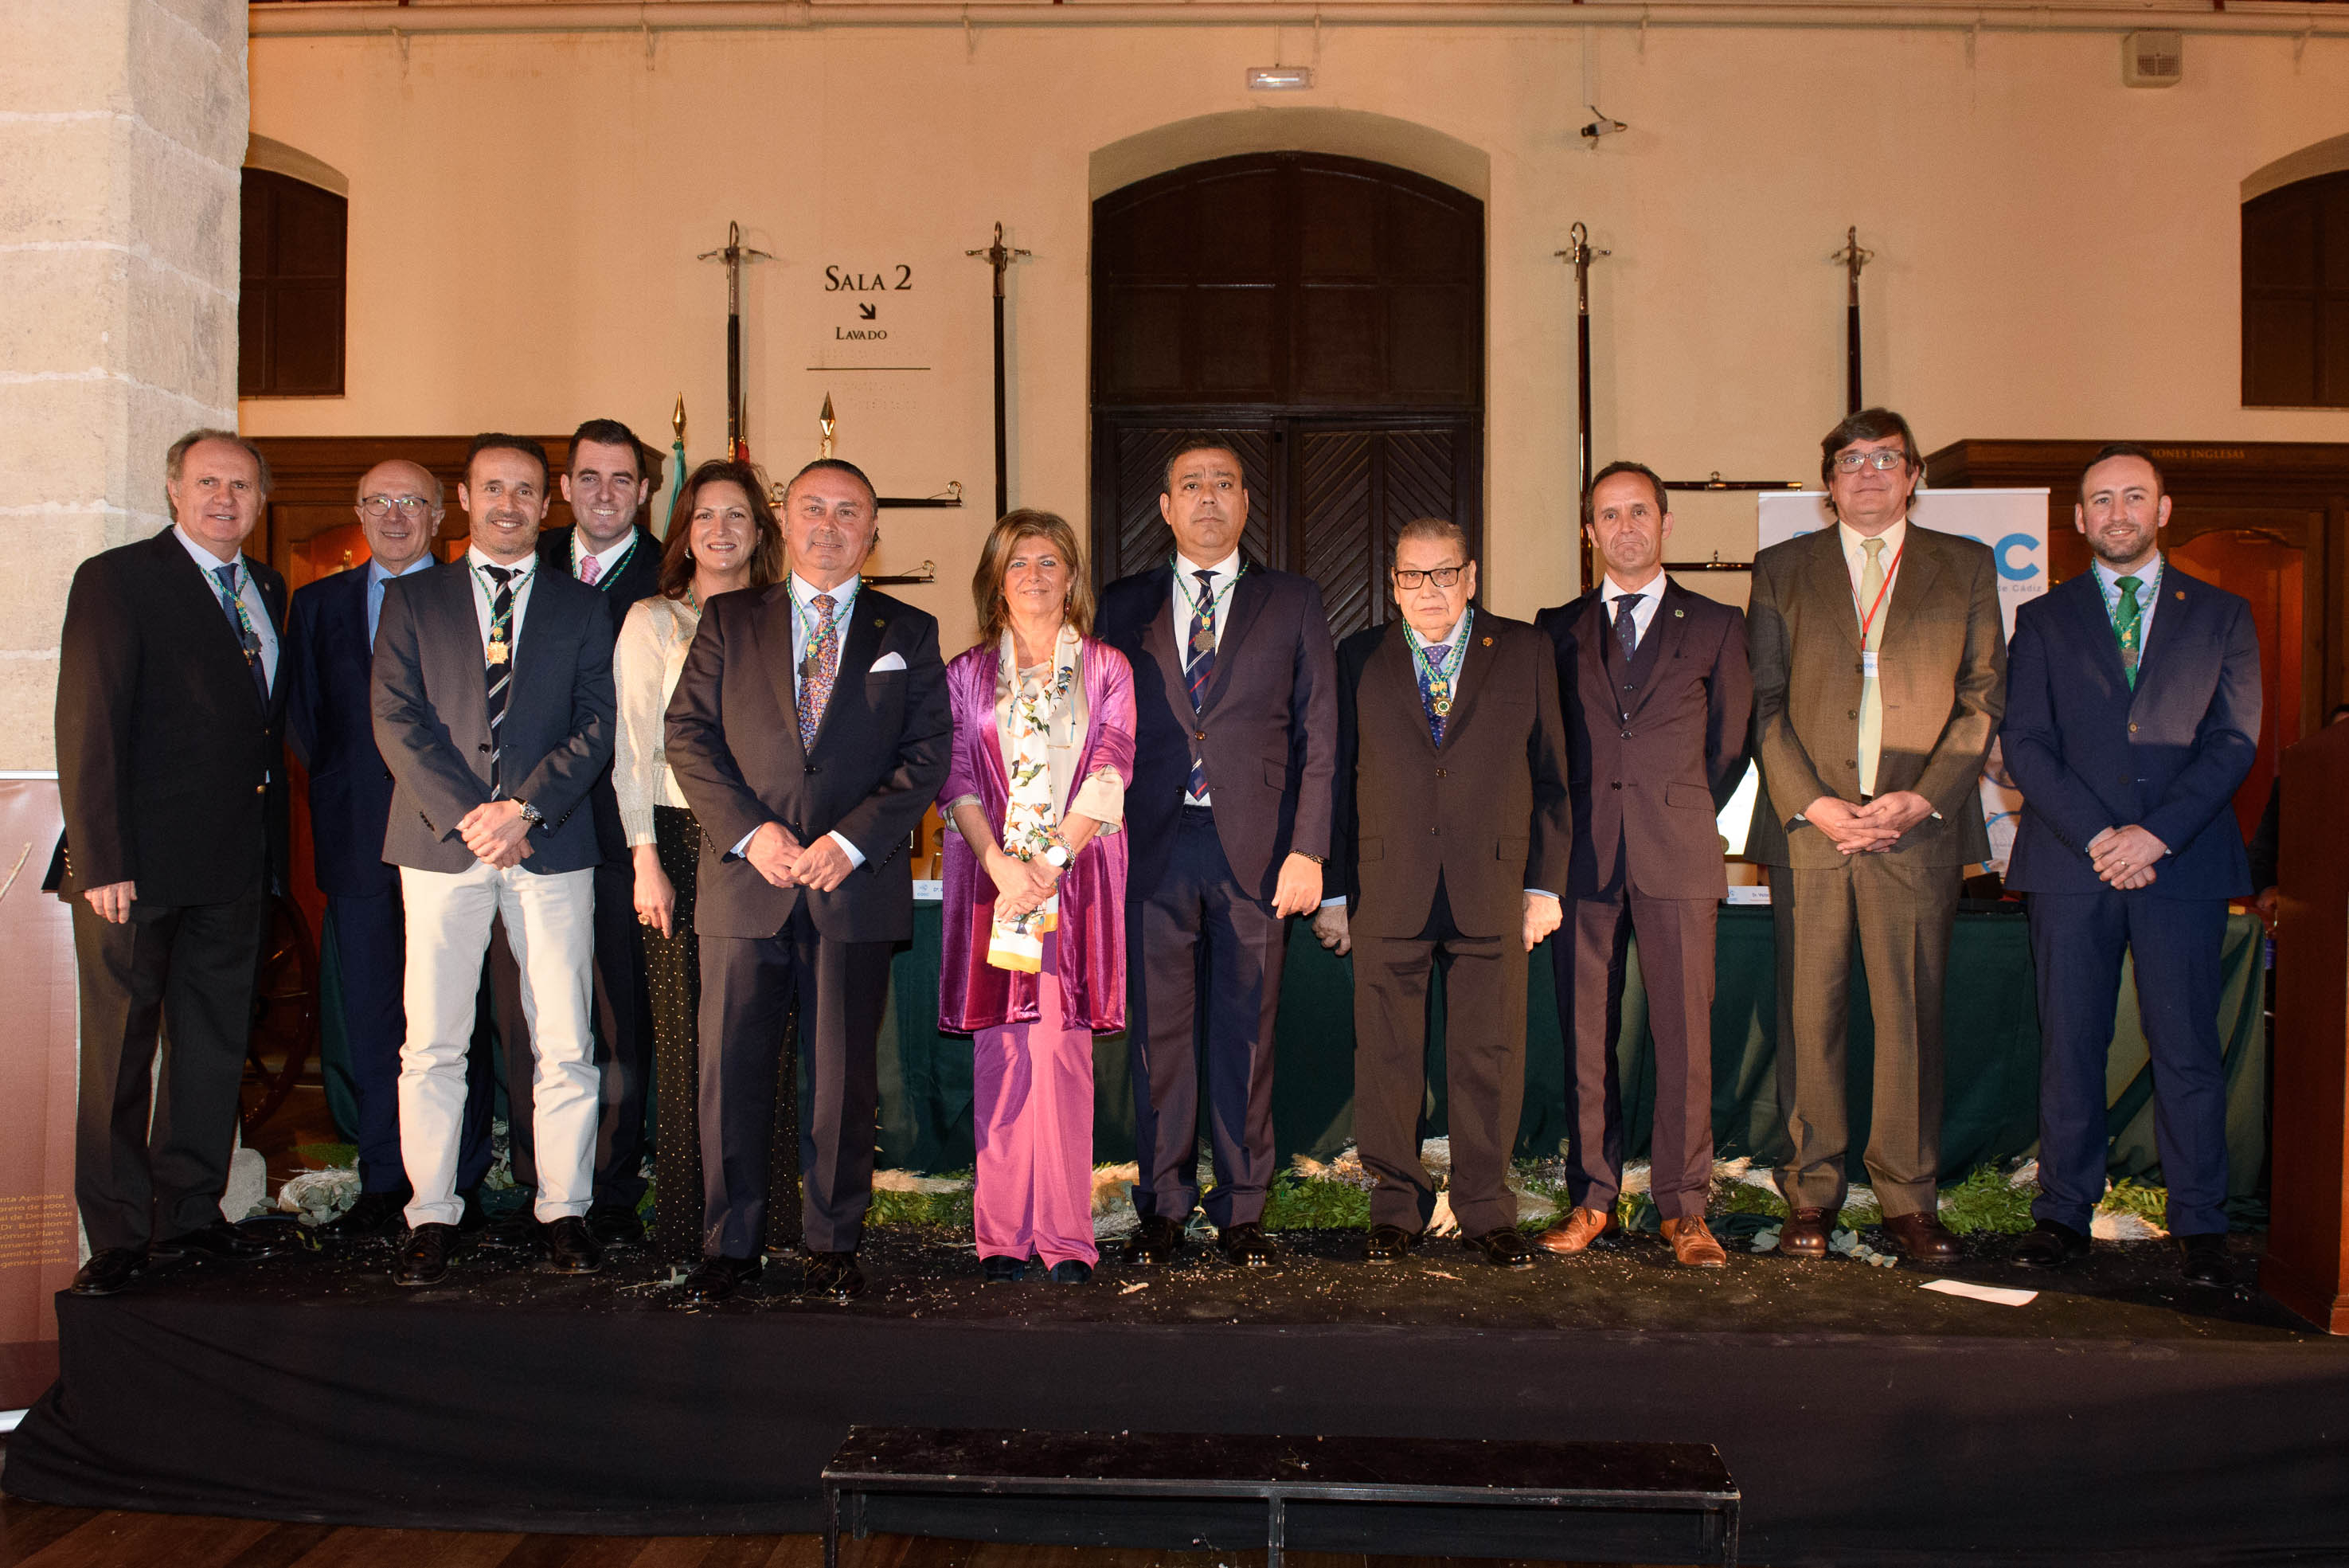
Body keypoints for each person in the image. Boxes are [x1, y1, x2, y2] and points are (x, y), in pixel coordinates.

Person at [666, 458, 951, 1303]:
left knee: (840, 1079)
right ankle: (731, 1244)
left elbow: (927, 752)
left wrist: (852, 842)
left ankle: (833, 1239)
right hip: (746, 884)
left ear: (873, 531)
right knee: (732, 1071)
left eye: (849, 512)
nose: (830, 526)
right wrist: (752, 834)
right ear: (783, 522)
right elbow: (688, 736)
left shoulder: (910, 629)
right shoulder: (726, 619)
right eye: (813, 509)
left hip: (851, 889)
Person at [1746, 408, 2005, 1265]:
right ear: (1827, 482)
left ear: (1912, 473)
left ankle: (1907, 1198)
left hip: (1914, 833)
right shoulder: (1781, 568)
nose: (1866, 472)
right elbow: (1764, 703)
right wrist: (1814, 804)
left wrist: (1919, 800)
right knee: (1807, 1013)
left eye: (1884, 458)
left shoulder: (1963, 567)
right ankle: (1810, 1195)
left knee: (1909, 1019)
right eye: (1849, 460)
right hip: (1812, 830)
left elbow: (1980, 701)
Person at [2002, 444, 2261, 1286]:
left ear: (2162, 508)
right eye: (2100, 499)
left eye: (2133, 496)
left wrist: (2154, 835)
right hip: (2071, 865)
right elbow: (2026, 745)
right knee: (2069, 1043)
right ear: (2078, 519)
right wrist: (2099, 837)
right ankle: (2061, 1215)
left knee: (2185, 1046)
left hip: (2177, 864)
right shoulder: (2043, 619)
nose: (2117, 512)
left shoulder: (2222, 615)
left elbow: (2233, 742)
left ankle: (2200, 1224)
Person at [373, 433, 616, 1287]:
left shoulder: (582, 607)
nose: (508, 505)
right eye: (492, 489)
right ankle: (432, 1212)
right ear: (465, 498)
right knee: (433, 1041)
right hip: (441, 844)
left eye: (523, 491)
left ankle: (564, 1209)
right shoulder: (414, 600)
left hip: (551, 842)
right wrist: (473, 815)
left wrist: (523, 807)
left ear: (543, 504)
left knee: (564, 1038)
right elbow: (396, 718)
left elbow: (597, 726)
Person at [55, 429, 295, 1295]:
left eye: (241, 485)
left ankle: (189, 1214)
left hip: (233, 868)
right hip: (136, 869)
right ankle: (119, 1233)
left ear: (261, 503)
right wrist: (101, 859)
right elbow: (89, 724)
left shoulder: (267, 587)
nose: (224, 498)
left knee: (209, 1050)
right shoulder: (118, 579)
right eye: (207, 482)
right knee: (119, 1054)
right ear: (172, 490)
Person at [1096, 440, 1338, 1269]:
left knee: (1246, 1036)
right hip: (1151, 845)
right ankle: (1161, 1203)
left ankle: (1242, 1210)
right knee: (1159, 1040)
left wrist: (1309, 848)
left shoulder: (1294, 600)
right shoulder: (1121, 603)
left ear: (1245, 504)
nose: (1207, 498)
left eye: (1223, 485)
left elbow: (1320, 737)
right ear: (1164, 507)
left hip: (1259, 855)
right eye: (1190, 485)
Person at [1312, 519, 1570, 1267]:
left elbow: (1554, 777)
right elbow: (1335, 779)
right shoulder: (1357, 656)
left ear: (1472, 576)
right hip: (1387, 886)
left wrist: (1544, 884)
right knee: (1389, 1055)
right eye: (1413, 576)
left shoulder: (1523, 651)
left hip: (1491, 884)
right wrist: (1334, 890)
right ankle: (1396, 1204)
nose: (1430, 590)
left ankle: (1485, 1207)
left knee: (1487, 1054)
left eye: (1445, 573)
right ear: (1393, 583)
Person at [1533, 463, 1752, 1268]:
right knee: (1585, 1035)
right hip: (1581, 858)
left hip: (1678, 852)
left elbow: (1729, 744)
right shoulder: (1552, 628)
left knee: (1683, 1036)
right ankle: (1592, 1197)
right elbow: (1547, 745)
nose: (1623, 527)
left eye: (1637, 512)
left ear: (1665, 523)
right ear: (1588, 532)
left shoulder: (1719, 624)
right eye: (1606, 515)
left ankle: (1683, 1208)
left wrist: (1674, 804)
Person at [284, 459, 496, 1238]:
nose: (396, 514)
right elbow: (307, 723)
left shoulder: (471, 597)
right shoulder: (316, 606)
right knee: (375, 1014)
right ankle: (384, 1177)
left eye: (413, 501)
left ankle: (460, 1180)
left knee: (454, 1016)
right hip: (360, 840)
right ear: (360, 511)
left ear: (441, 514)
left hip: (452, 839)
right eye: (380, 501)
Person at [939, 511, 1136, 1286]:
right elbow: (954, 774)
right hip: (994, 887)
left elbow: (1113, 764)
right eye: (1017, 562)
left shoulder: (1105, 668)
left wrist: (1048, 862)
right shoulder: (965, 672)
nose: (1033, 574)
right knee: (1000, 1052)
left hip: (1073, 885)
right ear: (995, 577)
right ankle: (1000, 1235)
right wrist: (999, 864)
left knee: (1060, 1054)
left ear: (1071, 575)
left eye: (1049, 560)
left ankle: (1063, 1236)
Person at [612, 459, 784, 1265]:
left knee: (766, 1032)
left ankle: (773, 1216)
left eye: (737, 516)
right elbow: (632, 749)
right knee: (690, 1037)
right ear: (686, 530)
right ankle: (691, 1220)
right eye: (705, 514)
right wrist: (645, 859)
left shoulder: (787, 617)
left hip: (768, 845)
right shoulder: (653, 620)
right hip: (679, 841)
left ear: (760, 532)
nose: (721, 530)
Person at [518, 417, 666, 1245]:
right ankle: (540, 1177)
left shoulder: (665, 575)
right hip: (524, 832)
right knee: (530, 1014)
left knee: (616, 1017)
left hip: (618, 835)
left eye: (621, 479)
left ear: (644, 492)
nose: (603, 493)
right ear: (564, 487)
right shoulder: (519, 565)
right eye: (588, 477)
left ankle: (609, 1184)